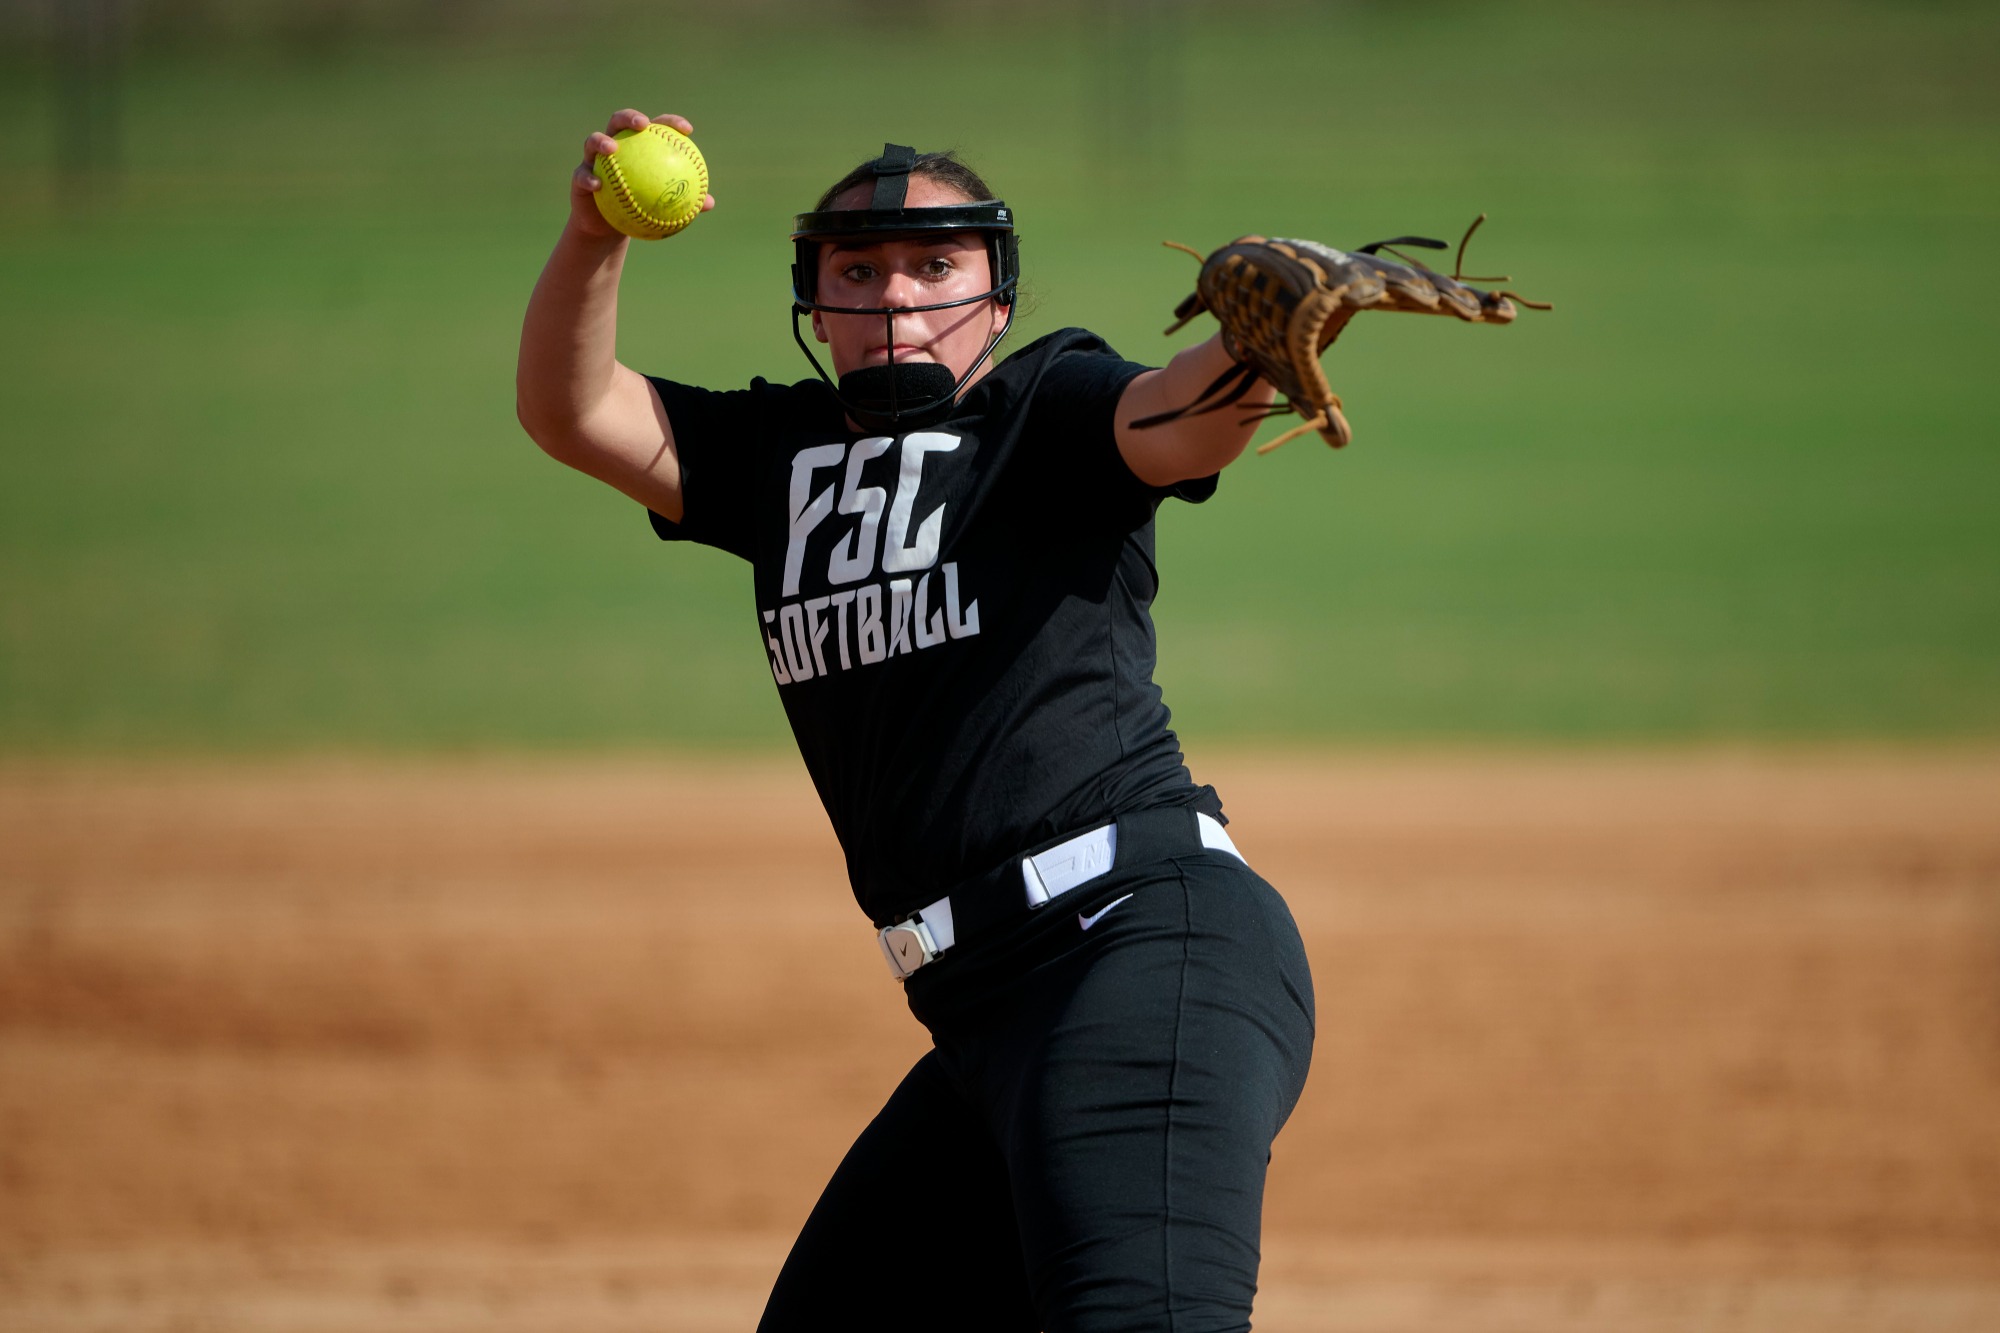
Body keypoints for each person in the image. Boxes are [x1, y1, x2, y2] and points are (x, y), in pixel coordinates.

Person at [516, 109, 1315, 1333]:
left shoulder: (1044, 407)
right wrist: (592, 238)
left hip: (1136, 953)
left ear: (995, 298)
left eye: (933, 265)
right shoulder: (774, 458)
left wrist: (1254, 341)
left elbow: (1175, 419)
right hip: (983, 1018)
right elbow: (573, 413)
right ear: (815, 301)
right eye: (858, 268)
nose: (894, 295)